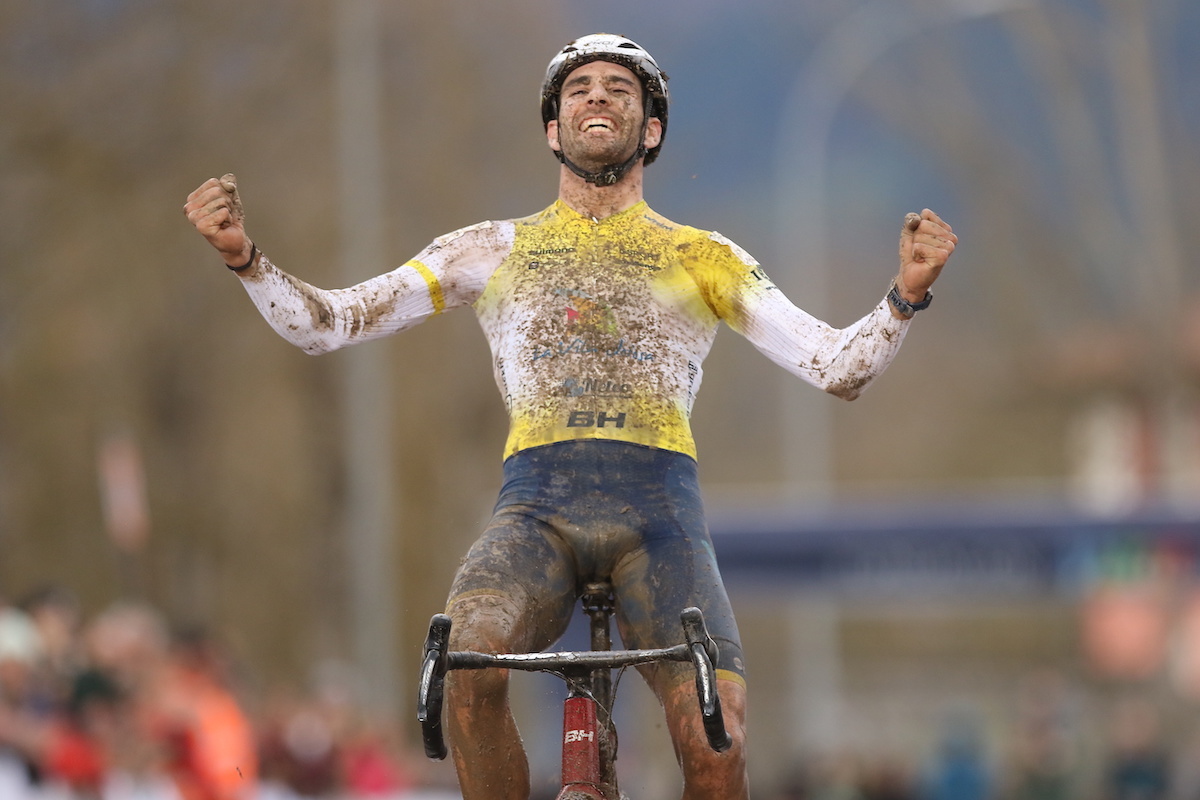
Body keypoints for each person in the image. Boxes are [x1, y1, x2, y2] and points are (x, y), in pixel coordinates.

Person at [183, 33, 957, 800]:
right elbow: (329, 324)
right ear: (553, 129)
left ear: (650, 130)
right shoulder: (487, 246)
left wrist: (905, 295)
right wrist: (245, 258)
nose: (597, 96)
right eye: (578, 88)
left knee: (721, 741)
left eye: (620, 91)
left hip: (660, 516)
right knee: (467, 660)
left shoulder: (704, 255)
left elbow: (838, 368)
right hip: (536, 509)